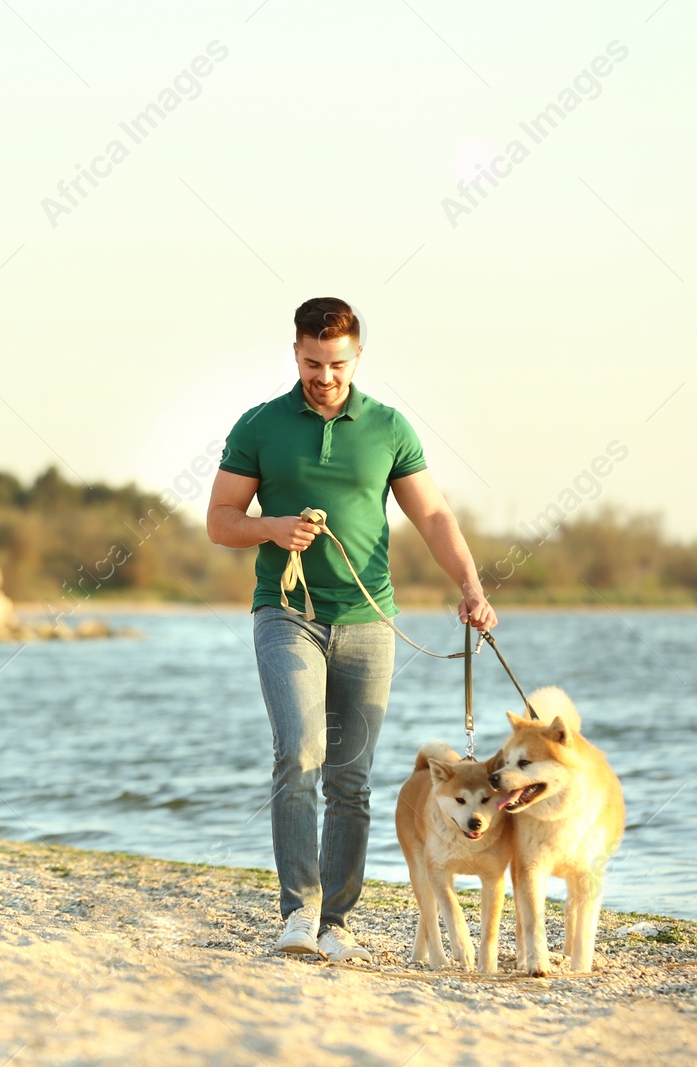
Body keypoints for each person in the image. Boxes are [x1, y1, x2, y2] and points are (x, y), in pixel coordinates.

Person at [206, 297, 496, 962]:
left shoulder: (389, 428)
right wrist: (271, 528)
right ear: (296, 354)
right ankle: (298, 913)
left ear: (357, 356)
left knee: (351, 776)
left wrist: (471, 585)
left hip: (369, 621)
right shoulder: (261, 425)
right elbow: (220, 518)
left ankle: (338, 920)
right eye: (312, 362)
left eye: (337, 363)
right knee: (298, 752)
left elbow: (434, 517)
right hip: (286, 615)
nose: (325, 376)